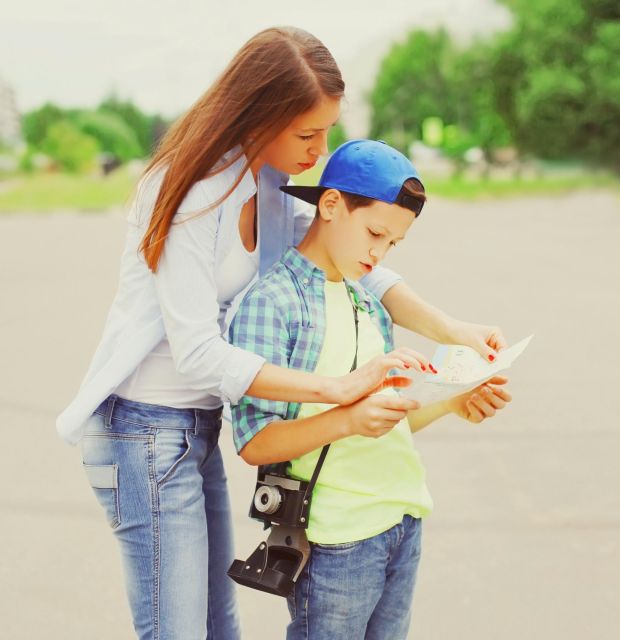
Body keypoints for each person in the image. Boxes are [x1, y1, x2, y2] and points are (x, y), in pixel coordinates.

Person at [57, 27, 505, 640]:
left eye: (325, 132)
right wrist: (340, 389)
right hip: (144, 428)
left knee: (220, 627)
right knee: (177, 631)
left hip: (195, 426)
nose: (319, 151)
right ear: (258, 114)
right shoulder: (186, 191)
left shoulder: (265, 184)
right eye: (306, 134)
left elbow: (357, 265)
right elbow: (196, 354)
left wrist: (455, 329)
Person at [229, 139, 512, 640]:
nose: (378, 253)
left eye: (393, 244)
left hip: (401, 517)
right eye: (375, 233)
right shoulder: (271, 302)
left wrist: (453, 402)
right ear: (331, 205)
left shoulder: (369, 301)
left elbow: (389, 419)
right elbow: (256, 443)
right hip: (337, 536)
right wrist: (347, 418)